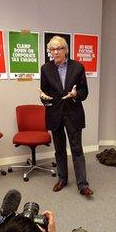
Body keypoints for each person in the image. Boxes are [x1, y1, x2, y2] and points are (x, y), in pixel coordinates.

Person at [39, 36, 93, 196]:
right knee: (59, 149)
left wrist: (76, 94)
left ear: (65, 49)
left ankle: (82, 185)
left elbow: (84, 92)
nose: (55, 52)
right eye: (52, 49)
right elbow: (44, 92)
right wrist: (43, 99)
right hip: (54, 113)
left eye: (58, 48)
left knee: (77, 149)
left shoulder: (78, 67)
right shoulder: (45, 68)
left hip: (73, 113)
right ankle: (62, 178)